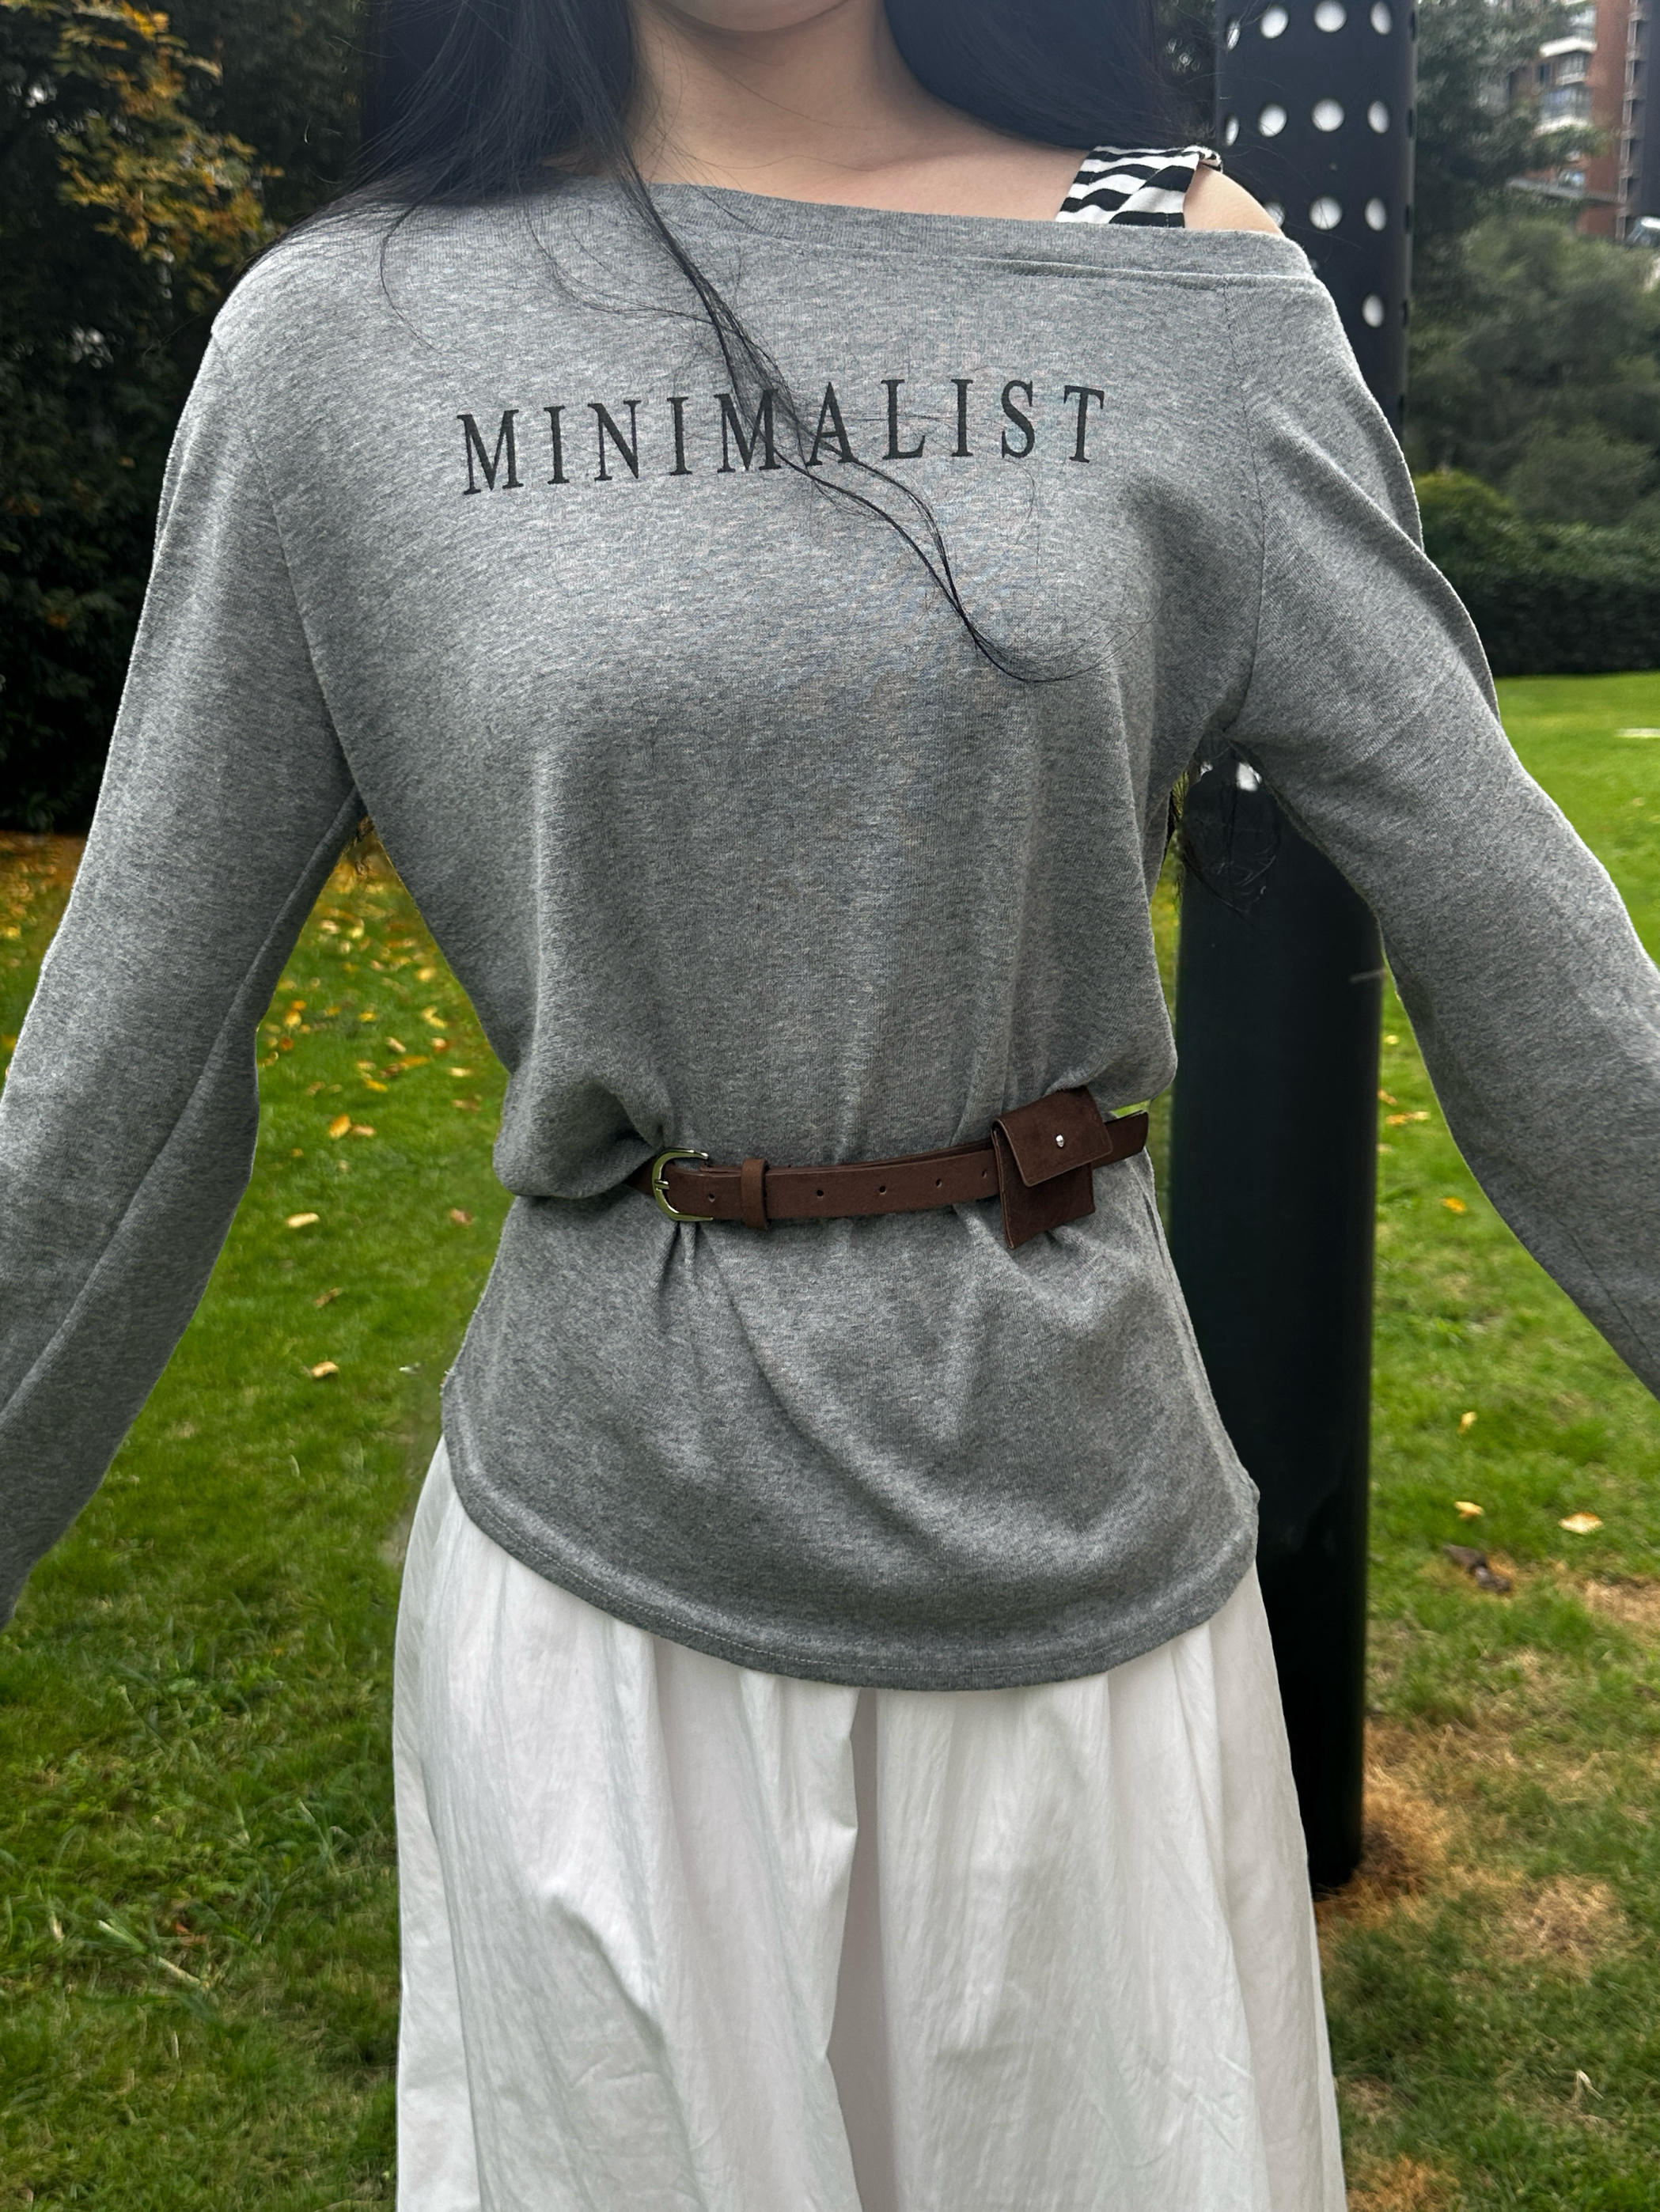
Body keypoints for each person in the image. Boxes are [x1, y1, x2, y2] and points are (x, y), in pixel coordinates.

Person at [2, 1, 1656, 2206]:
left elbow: (1527, 949)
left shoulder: (1176, 273)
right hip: (604, 1632)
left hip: (1087, 1608)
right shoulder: (344, 336)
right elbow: (121, 1054)